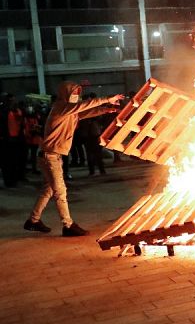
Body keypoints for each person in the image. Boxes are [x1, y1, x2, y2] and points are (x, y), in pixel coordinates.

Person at [24, 82, 124, 236]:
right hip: (49, 156)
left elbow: (84, 113)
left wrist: (106, 109)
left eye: (78, 94)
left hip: (51, 155)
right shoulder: (61, 107)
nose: (76, 97)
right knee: (60, 191)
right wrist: (106, 99)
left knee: (49, 190)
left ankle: (33, 220)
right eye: (74, 94)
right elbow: (83, 107)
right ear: (66, 94)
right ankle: (68, 225)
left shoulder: (69, 111)